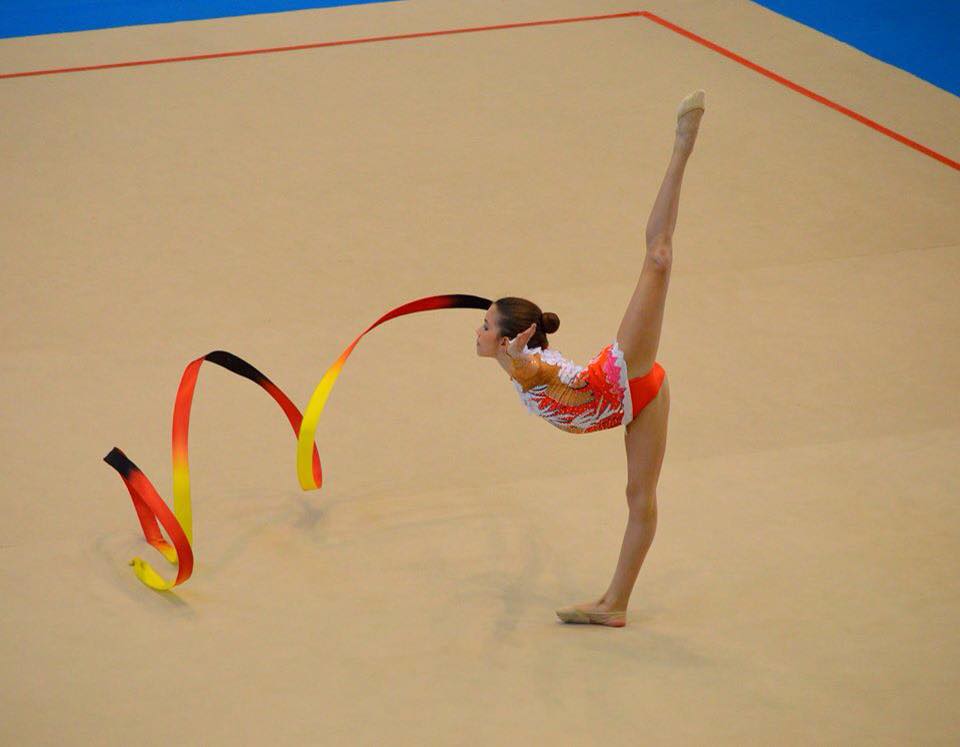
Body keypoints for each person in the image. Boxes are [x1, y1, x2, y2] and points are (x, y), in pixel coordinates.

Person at [474, 90, 705, 627]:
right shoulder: (520, 363)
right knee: (639, 497)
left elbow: (531, 370)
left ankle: (682, 145)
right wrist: (512, 359)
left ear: (510, 339)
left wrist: (515, 359)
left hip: (620, 378)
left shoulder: (530, 365)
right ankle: (614, 604)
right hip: (637, 403)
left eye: (485, 325)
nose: (477, 330)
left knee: (658, 258)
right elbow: (525, 370)